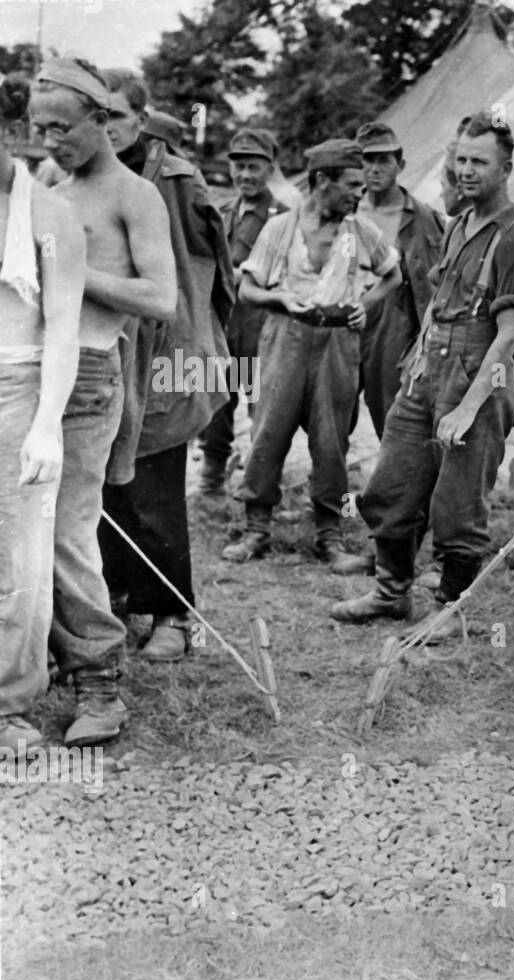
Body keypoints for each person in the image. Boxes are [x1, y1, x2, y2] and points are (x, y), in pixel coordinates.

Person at [331, 110, 514, 628]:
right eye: (462, 160)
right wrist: (417, 358)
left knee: (457, 507)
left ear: (507, 167)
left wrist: (467, 411)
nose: (467, 171)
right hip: (429, 374)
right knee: (391, 487)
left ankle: (451, 610)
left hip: (479, 382)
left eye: (481, 162)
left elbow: (509, 336)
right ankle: (391, 592)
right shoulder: (458, 225)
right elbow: (437, 301)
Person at [28, 57, 177, 743]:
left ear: (100, 120)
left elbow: (160, 297)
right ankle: (42, 665)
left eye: (62, 127)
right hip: (35, 371)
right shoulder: (51, 182)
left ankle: (100, 682)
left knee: (68, 530)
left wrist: (76, 274)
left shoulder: (133, 194)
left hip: (91, 373)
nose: (51, 141)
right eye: (38, 128)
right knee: (25, 528)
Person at [96, 68, 235, 663]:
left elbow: (214, 269)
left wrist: (199, 345)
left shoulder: (175, 179)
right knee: (105, 489)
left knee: (155, 486)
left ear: (142, 118)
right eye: (98, 118)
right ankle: (119, 597)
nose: (108, 130)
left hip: (166, 353)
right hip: (105, 350)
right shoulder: (82, 177)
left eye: (119, 118)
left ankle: (175, 614)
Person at [221, 138, 399, 573]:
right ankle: (256, 529)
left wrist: (366, 305)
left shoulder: (360, 232)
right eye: (351, 184)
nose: (360, 193)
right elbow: (247, 288)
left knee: (331, 441)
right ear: (322, 181)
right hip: (285, 336)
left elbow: (393, 275)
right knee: (267, 432)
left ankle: (330, 536)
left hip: (337, 343)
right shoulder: (280, 229)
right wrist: (281, 300)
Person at [0, 73, 85, 752]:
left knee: (22, 558)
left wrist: (48, 420)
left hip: (20, 386)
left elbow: (61, 327)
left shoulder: (49, 214)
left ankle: (8, 702)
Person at [198, 128, 288, 495]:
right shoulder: (221, 211)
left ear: (270, 168)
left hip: (260, 324)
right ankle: (211, 479)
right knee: (215, 401)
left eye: (254, 167)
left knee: (262, 408)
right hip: (221, 324)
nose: (245, 175)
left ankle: (259, 485)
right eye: (239, 167)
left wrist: (236, 276)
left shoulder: (282, 216)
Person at [354, 121, 445, 439]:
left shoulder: (421, 218)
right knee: (332, 414)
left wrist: (423, 346)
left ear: (400, 165)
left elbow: (432, 292)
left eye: (384, 160)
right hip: (344, 320)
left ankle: (394, 487)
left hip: (393, 324)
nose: (374, 169)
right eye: (367, 160)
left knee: (390, 415)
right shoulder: (344, 210)